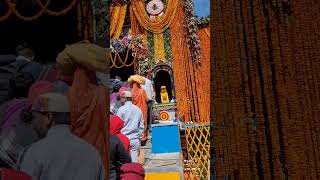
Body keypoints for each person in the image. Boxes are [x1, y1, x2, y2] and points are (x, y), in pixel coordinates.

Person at [17, 93, 105, 180]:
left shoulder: (34, 152)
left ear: (49, 117)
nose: (32, 124)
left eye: (33, 117)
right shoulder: (92, 153)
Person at [116, 91, 144, 163]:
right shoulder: (138, 109)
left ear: (125, 98)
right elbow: (141, 126)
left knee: (124, 164)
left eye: (121, 98)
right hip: (135, 139)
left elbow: (117, 125)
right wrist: (139, 137)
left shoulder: (121, 110)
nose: (120, 100)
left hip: (123, 139)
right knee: (134, 164)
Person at [127, 75, 148, 142]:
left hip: (134, 110)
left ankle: (136, 137)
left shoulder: (131, 92)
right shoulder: (143, 90)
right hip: (143, 109)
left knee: (135, 123)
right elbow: (146, 100)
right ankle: (143, 137)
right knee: (143, 122)